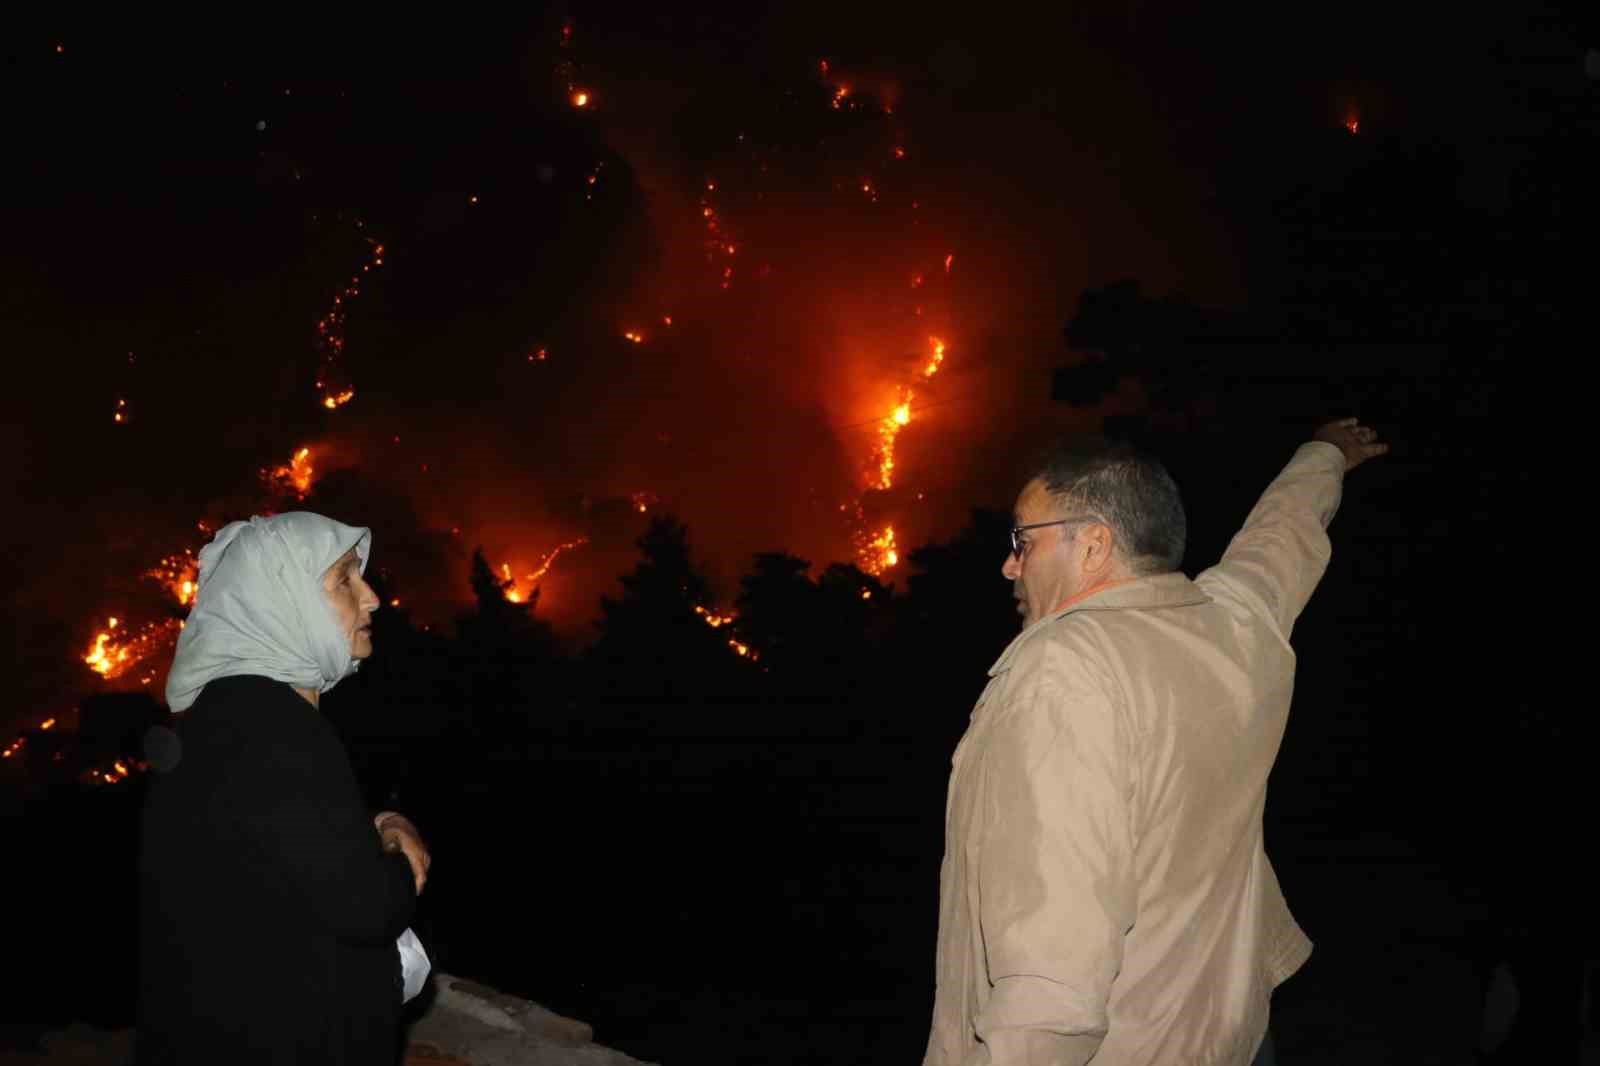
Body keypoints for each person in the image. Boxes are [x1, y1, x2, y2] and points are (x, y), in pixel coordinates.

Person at [923, 418, 1388, 1066]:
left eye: (1021, 541)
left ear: (1093, 544)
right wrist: (1325, 456)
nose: (1009, 565)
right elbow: (1278, 543)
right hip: (1233, 1036)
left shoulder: (1061, 673)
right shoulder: (1231, 626)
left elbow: (1053, 970)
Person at [137, 512, 431, 1066]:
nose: (371, 598)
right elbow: (366, 907)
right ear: (281, 600)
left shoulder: (219, 715)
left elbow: (280, 861)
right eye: (345, 578)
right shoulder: (277, 727)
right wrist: (397, 841)